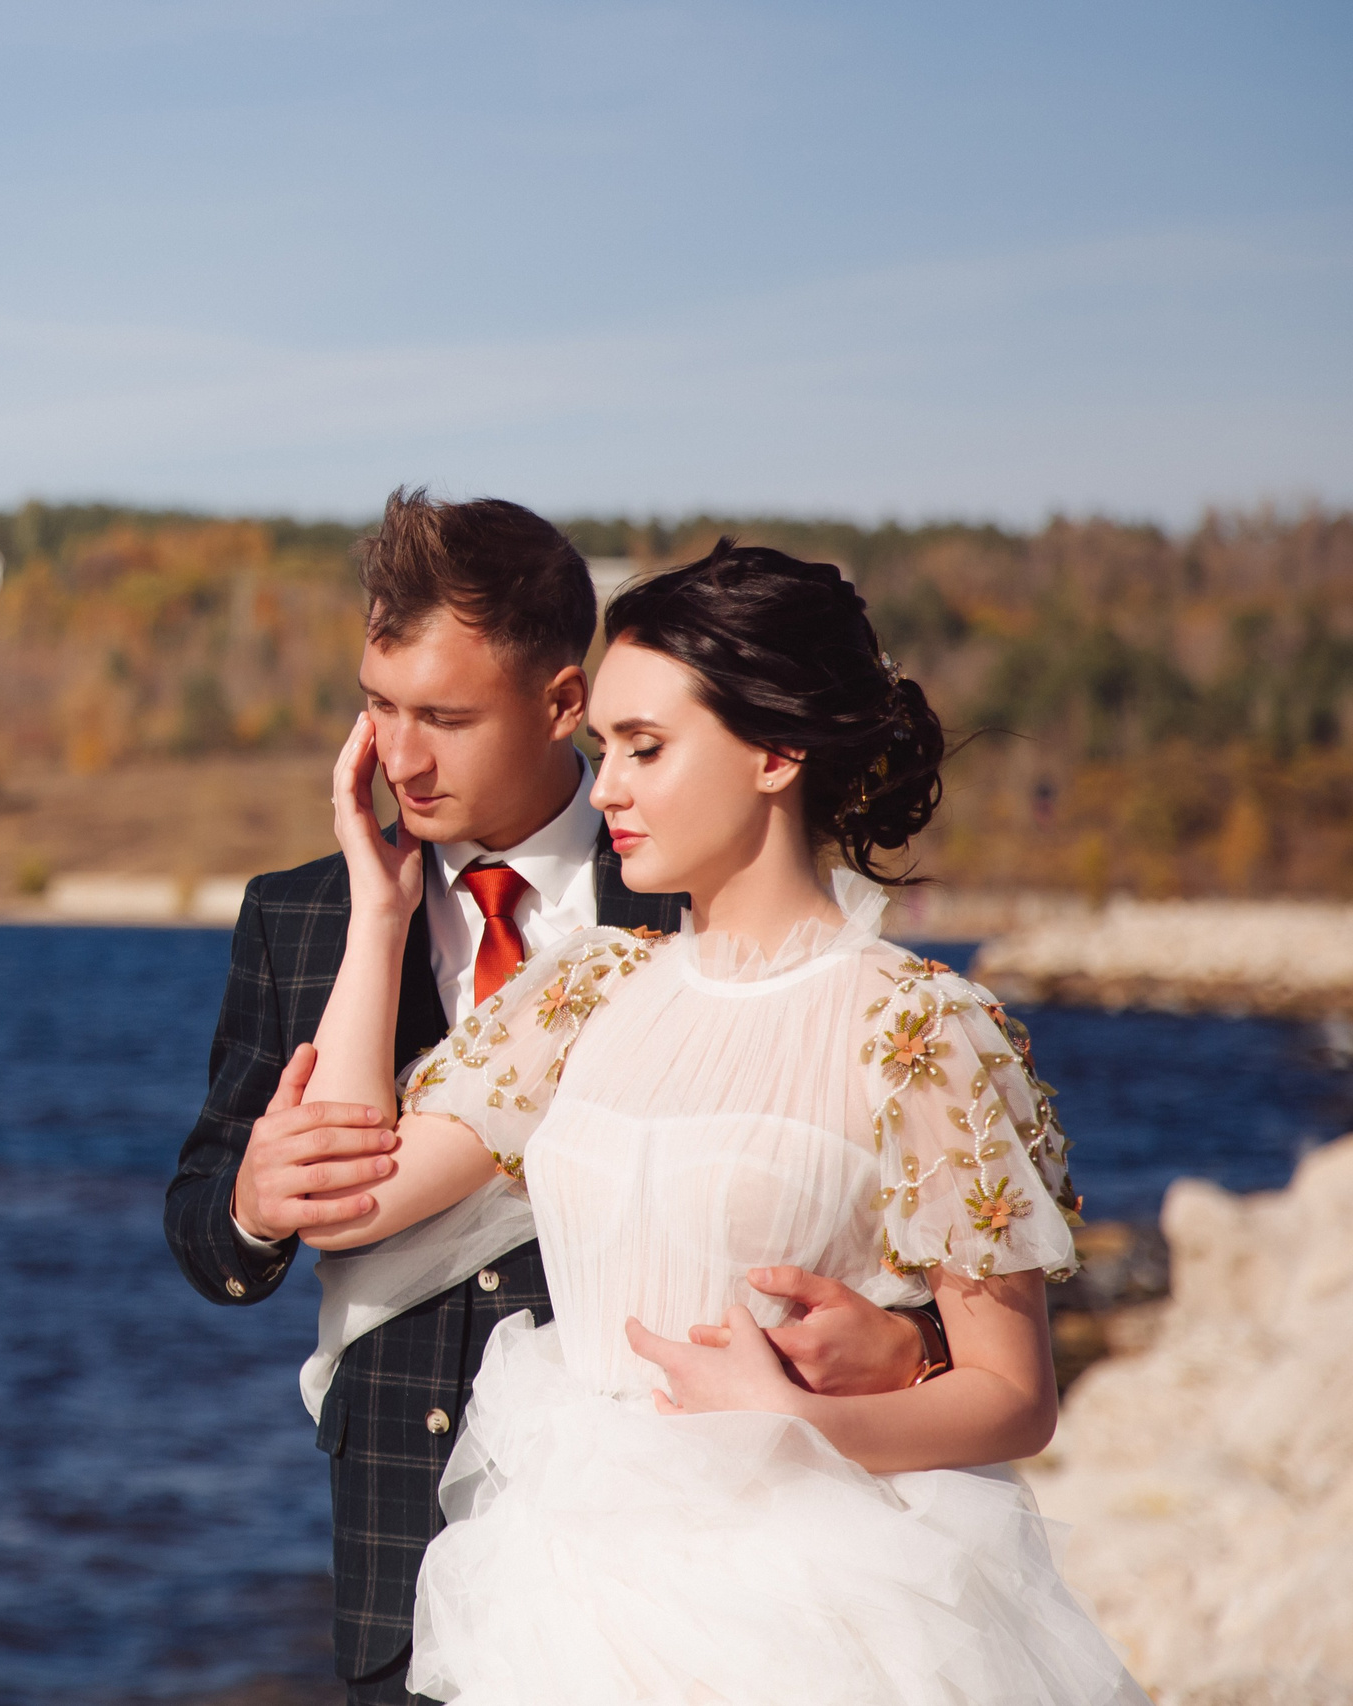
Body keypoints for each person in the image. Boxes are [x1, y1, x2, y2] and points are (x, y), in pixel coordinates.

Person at [299, 539, 1144, 1703]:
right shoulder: (582, 989)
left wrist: (795, 1418)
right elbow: (347, 1191)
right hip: (558, 1590)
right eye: (604, 750)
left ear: (776, 751)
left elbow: (1015, 1394)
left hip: (804, 1605)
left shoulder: (918, 1028)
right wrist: (374, 909)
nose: (605, 789)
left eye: (645, 748)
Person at [165, 494, 953, 1705]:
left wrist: (906, 1348)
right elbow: (207, 1217)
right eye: (377, 706)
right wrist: (254, 1203)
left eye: (444, 716)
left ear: (559, 702)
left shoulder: (697, 894)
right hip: (401, 1561)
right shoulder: (302, 914)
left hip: (692, 1563)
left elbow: (878, 1213)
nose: (400, 756)